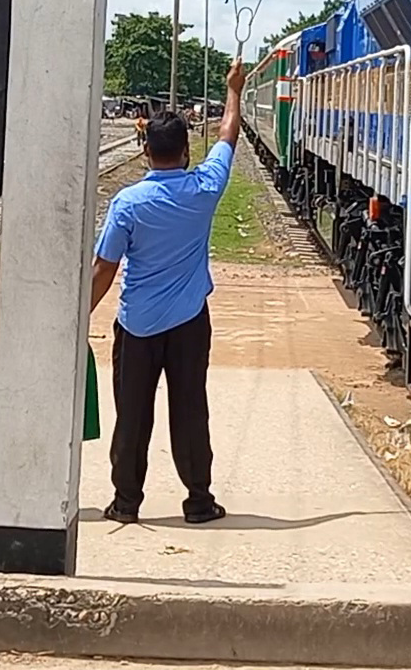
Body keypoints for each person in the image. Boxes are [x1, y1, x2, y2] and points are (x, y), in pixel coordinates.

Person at [89, 58, 246, 525]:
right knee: (190, 410)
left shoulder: (128, 204)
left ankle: (126, 503)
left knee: (133, 415)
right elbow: (228, 135)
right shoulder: (205, 187)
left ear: (145, 151)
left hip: (136, 325)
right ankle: (198, 501)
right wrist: (233, 89)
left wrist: (77, 318)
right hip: (190, 325)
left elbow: (104, 267)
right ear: (184, 151)